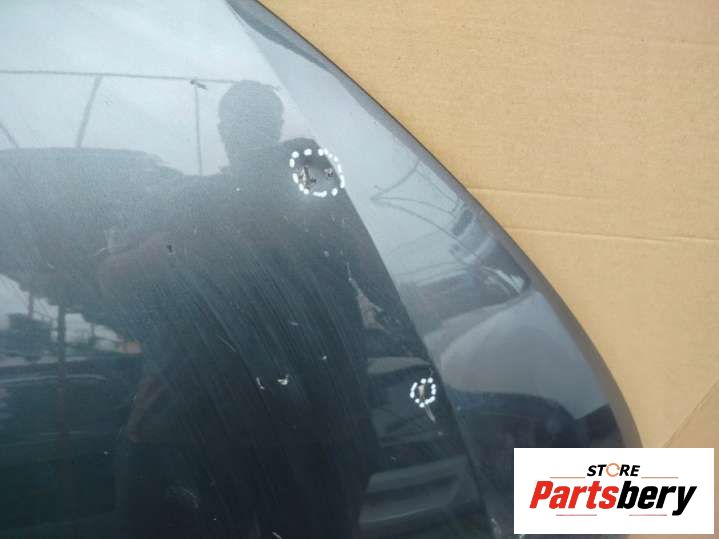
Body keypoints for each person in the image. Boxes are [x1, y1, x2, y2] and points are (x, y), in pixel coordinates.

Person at [103, 80, 422, 539]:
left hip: (294, 429)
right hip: (219, 431)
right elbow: (114, 283)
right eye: (240, 120)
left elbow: (375, 273)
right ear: (224, 129)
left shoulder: (306, 179)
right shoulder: (188, 201)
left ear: (272, 127)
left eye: (261, 119)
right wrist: (186, 244)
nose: (249, 131)